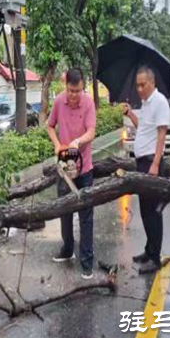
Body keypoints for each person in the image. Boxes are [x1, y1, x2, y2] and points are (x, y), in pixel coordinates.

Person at [47, 68, 97, 280]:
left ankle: (86, 261)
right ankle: (67, 249)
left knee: (86, 216)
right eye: (70, 90)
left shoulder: (88, 103)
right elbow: (49, 126)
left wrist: (79, 141)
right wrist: (58, 144)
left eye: (77, 90)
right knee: (64, 211)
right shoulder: (59, 102)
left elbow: (92, 131)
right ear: (65, 87)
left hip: (84, 167)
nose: (74, 95)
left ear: (83, 87)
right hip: (64, 168)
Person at [122, 67, 170, 275]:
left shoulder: (159, 102)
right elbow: (143, 127)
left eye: (143, 85)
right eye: (137, 86)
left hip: (151, 162)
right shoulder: (146, 103)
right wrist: (130, 113)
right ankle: (149, 251)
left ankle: (155, 258)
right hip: (141, 162)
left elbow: (161, 134)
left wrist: (156, 164)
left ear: (152, 82)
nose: (139, 89)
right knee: (144, 210)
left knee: (153, 213)